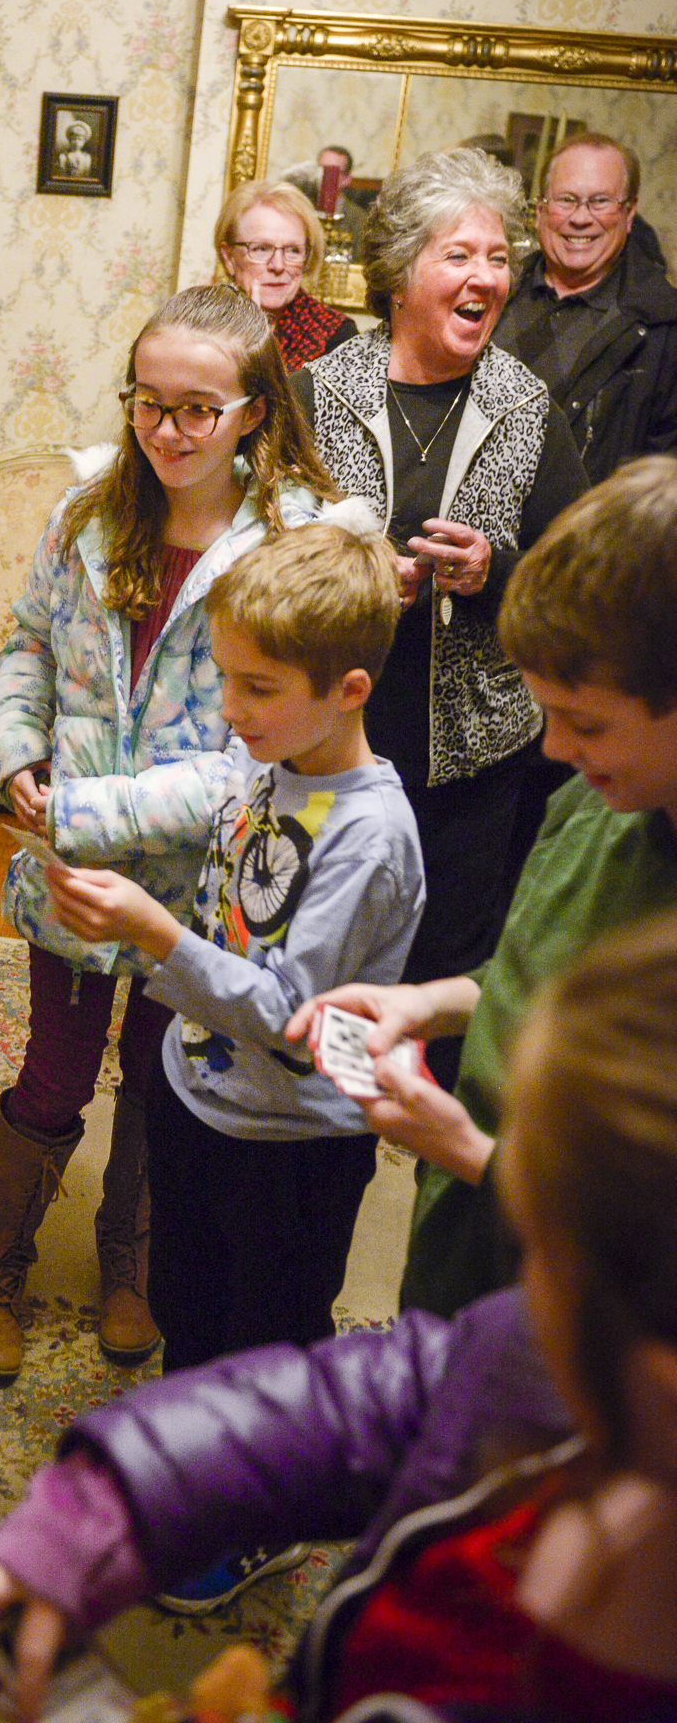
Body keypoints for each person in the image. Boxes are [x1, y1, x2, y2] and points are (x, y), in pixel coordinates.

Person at [0, 905, 677, 1723]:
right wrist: (95, 1511)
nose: (515, 1289)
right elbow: (336, 1408)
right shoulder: (532, 1351)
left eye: (540, 1246)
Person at [0, 286, 343, 1387]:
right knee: (53, 1071)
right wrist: (14, 750)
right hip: (71, 868)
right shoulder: (86, 516)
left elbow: (251, 760)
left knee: (160, 1072)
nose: (167, 431)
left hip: (194, 878)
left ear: (252, 412)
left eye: (197, 410)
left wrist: (84, 810)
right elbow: (28, 646)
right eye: (148, 403)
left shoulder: (286, 545)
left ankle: (131, 1256)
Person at [42, 522, 422, 1435]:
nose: (230, 709)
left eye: (257, 687)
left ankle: (249, 1494)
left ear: (349, 691)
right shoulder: (265, 758)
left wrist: (154, 934)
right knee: (188, 1302)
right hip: (199, 1096)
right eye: (224, 678)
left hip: (291, 1145)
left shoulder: (368, 838)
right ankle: (188, 1441)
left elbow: (290, 1010)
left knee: (267, 1351)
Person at [289, 455, 677, 1321]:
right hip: (464, 1271)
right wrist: (427, 1004)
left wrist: (466, 1152)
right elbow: (537, 972)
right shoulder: (597, 807)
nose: (552, 749)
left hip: (581, 1328)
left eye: (583, 722)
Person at [290, 146, 588, 1010]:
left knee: (439, 983)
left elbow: (575, 585)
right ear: (399, 273)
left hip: (472, 765)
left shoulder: (524, 408)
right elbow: (257, 560)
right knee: (314, 963)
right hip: (325, 744)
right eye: (458, 255)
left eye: (497, 258)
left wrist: (493, 573)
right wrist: (352, 578)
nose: (484, 277)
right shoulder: (315, 394)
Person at [493, 131, 677, 481]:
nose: (580, 218)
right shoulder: (494, 290)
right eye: (566, 200)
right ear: (540, 210)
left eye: (600, 202)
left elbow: (664, 479)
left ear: (629, 213)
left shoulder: (663, 326)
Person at [214, 177, 356, 371]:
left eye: (293, 250)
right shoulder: (202, 326)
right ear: (229, 257)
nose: (278, 265)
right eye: (261, 249)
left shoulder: (337, 336)